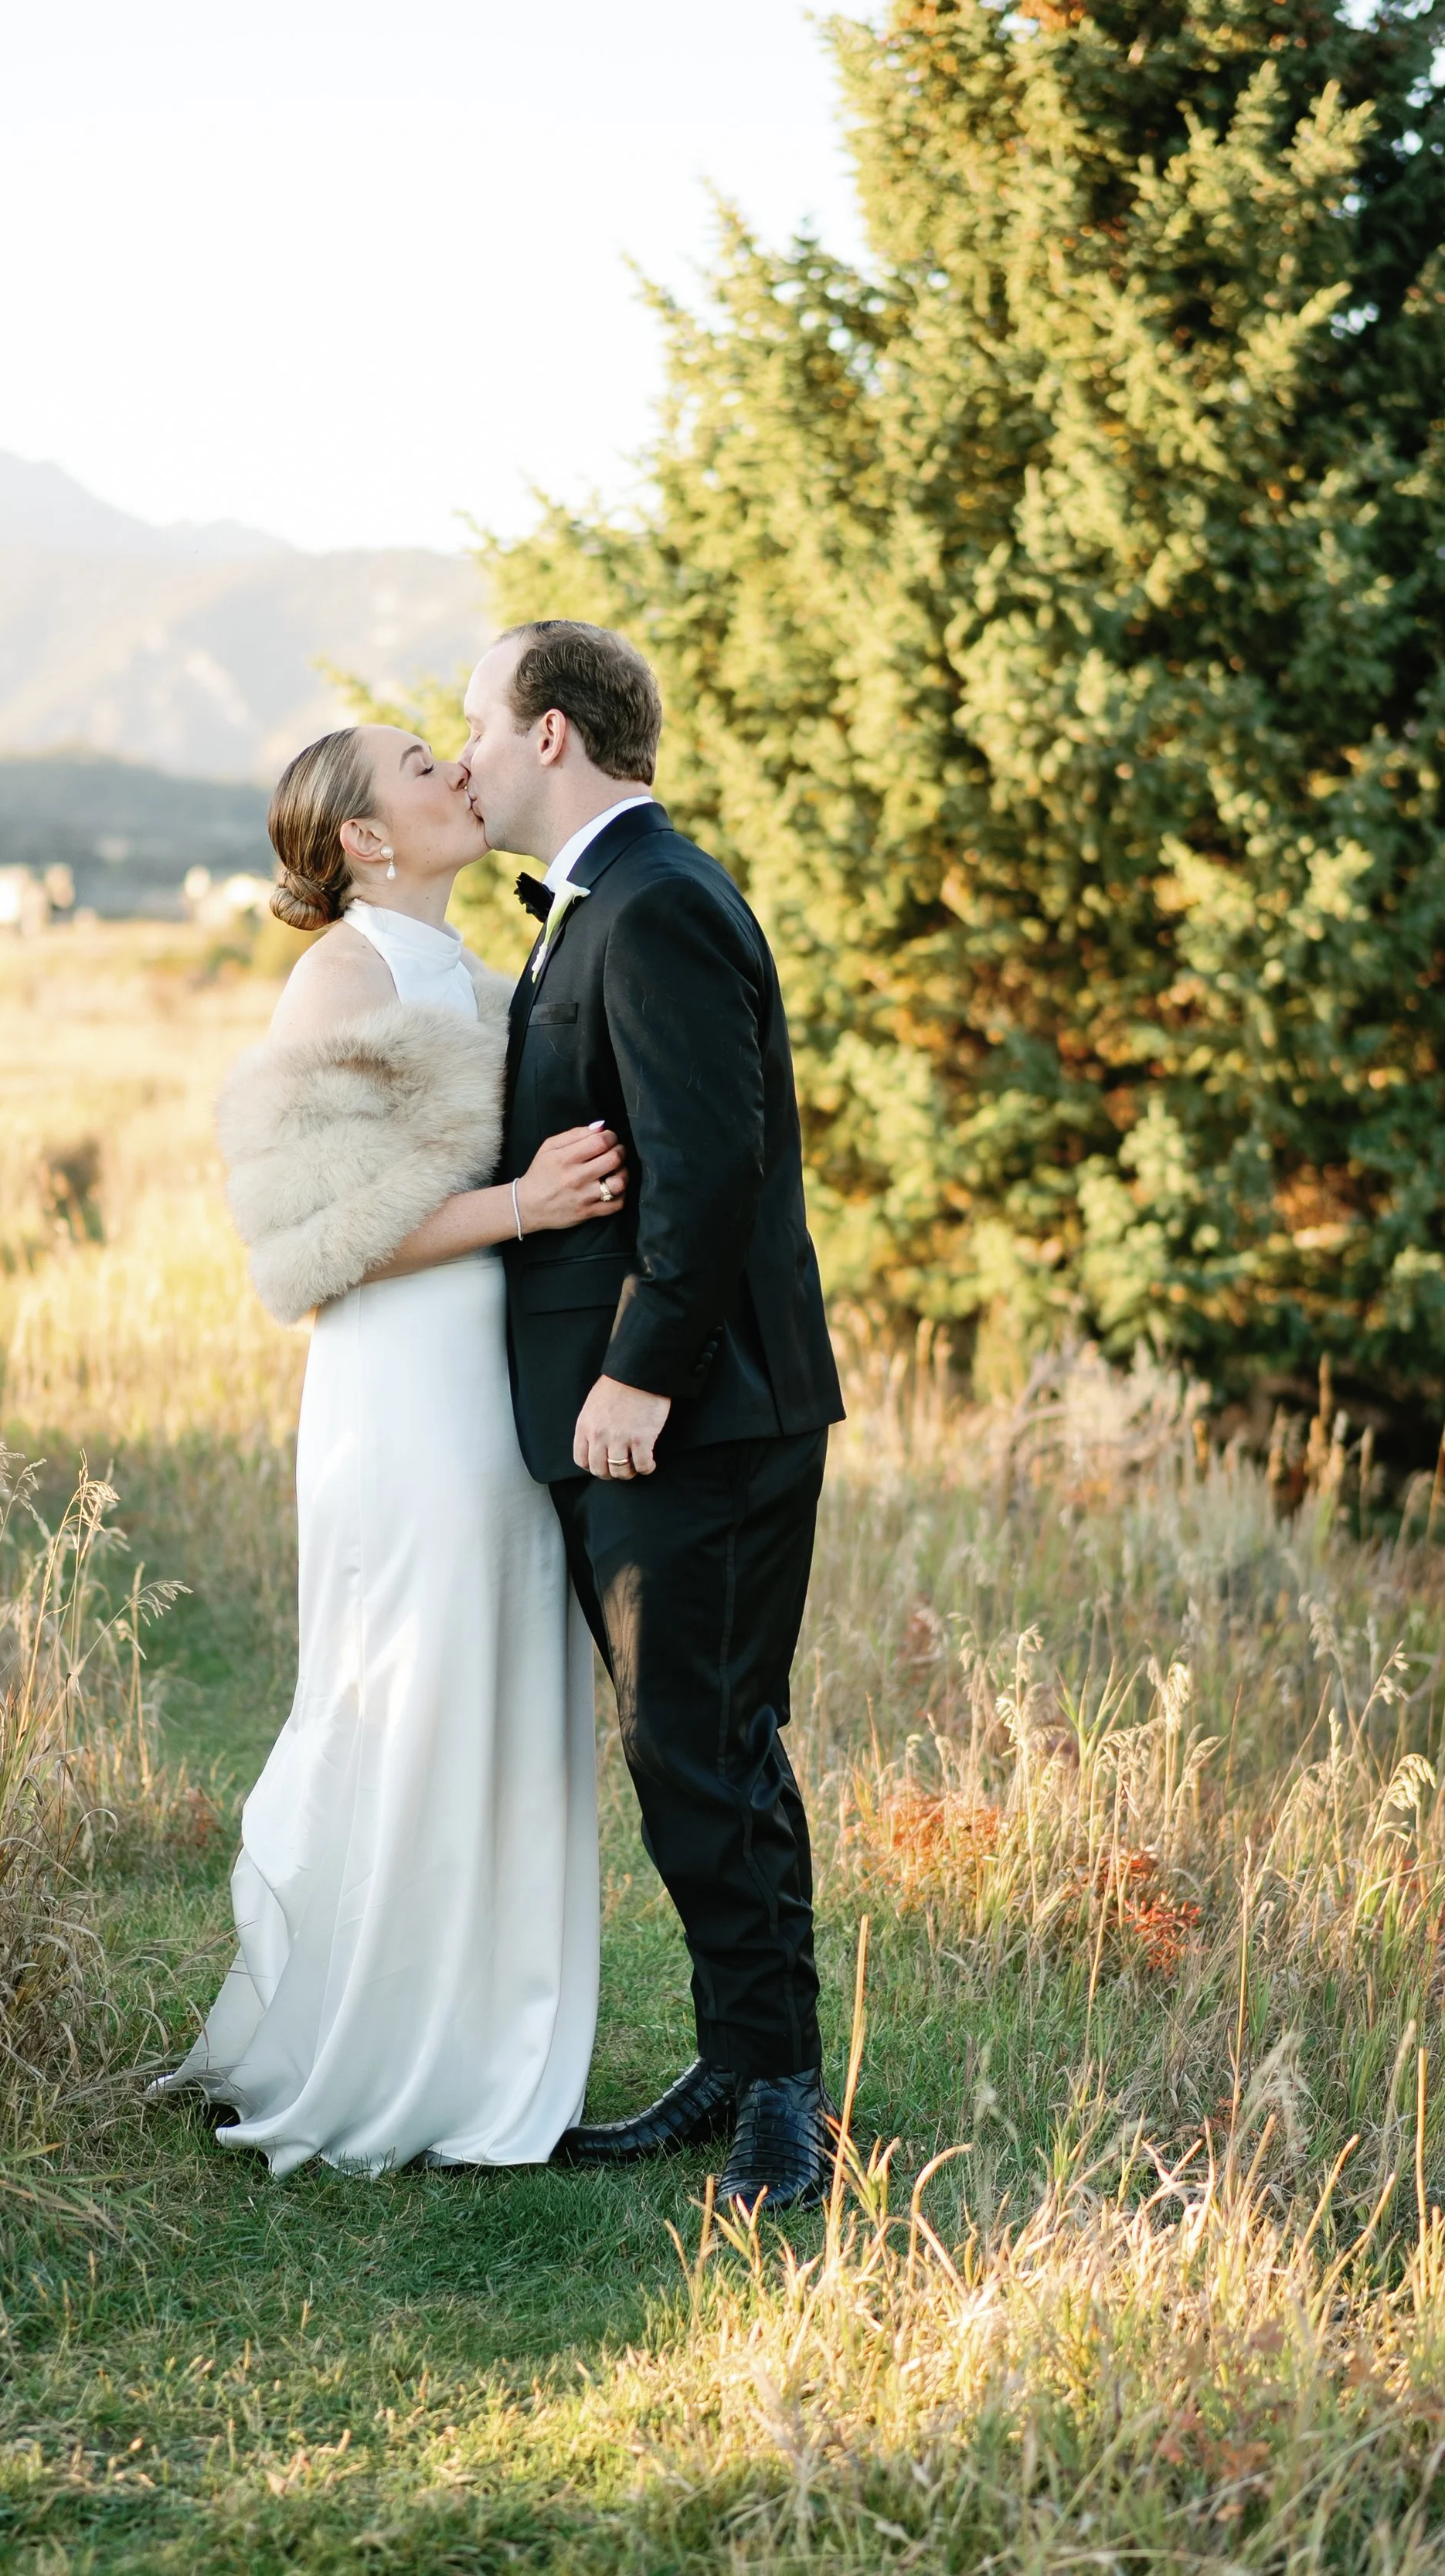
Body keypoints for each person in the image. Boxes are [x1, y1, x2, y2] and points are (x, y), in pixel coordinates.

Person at [159, 723, 619, 2174]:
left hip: (491, 1371)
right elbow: (315, 1247)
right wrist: (526, 1209)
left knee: (499, 1674)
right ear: (363, 835)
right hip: (403, 1387)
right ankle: (376, 2045)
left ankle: (490, 2036)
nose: (457, 774)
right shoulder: (339, 977)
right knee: (408, 1677)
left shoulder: (479, 972)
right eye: (422, 764)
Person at [460, 621, 847, 2212]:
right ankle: (738, 2052)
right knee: (690, 1744)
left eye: (475, 721)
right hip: (646, 1416)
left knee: (702, 1742)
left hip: (697, 1413)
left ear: (551, 734)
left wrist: (637, 1374)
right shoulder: (595, 910)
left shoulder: (662, 903)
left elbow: (706, 1170)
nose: (463, 751)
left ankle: (782, 2095)